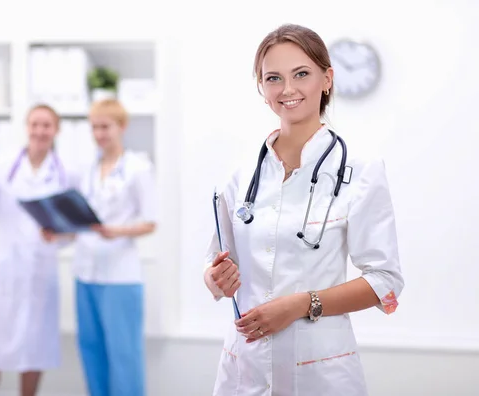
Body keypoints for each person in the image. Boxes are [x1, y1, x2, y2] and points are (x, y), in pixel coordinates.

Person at [203, 24, 404, 396]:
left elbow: (385, 283)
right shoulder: (242, 175)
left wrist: (301, 304)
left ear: (327, 79)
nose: (288, 89)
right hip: (243, 367)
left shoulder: (360, 170)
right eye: (273, 78)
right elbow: (215, 267)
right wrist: (216, 278)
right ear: (262, 90)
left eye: (302, 74)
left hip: (320, 371)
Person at [43, 99, 156, 396]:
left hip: (120, 276)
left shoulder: (137, 167)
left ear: (122, 126)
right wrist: (57, 235)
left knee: (124, 354)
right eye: (94, 127)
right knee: (91, 350)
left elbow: (151, 222)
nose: (100, 134)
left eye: (105, 127)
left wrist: (115, 231)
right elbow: (80, 224)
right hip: (85, 273)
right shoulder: (86, 170)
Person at [0, 104, 75, 396]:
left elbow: (70, 231)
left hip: (40, 272)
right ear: (26, 127)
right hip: (3, 270)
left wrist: (58, 237)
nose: (40, 131)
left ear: (56, 130)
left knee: (34, 348)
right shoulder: (3, 164)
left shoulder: (64, 173)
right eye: (35, 124)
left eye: (46, 125)